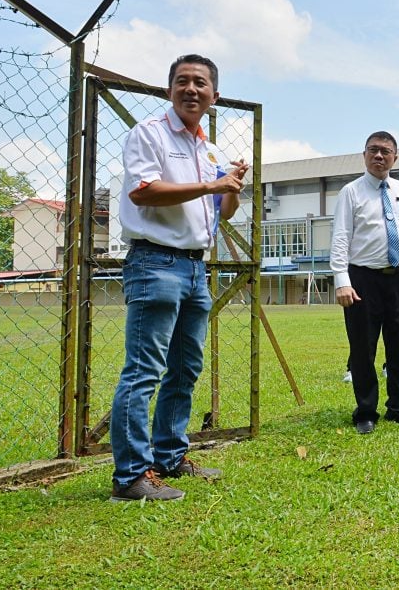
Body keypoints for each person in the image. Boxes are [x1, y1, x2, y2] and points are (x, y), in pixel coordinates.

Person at [110, 54, 249, 502]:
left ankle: (170, 456)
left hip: (194, 266)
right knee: (143, 370)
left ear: (215, 96)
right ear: (169, 88)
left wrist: (231, 186)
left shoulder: (209, 150)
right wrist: (213, 186)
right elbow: (143, 191)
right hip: (155, 262)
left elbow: (220, 211)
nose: (192, 89)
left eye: (201, 83)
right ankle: (131, 476)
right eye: (183, 81)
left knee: (186, 367)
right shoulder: (149, 133)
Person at [331, 131, 399, 434]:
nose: (379, 156)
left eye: (385, 151)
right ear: (364, 155)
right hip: (362, 279)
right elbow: (340, 237)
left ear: (395, 157)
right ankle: (365, 411)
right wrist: (341, 280)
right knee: (363, 348)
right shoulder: (351, 191)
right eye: (373, 150)